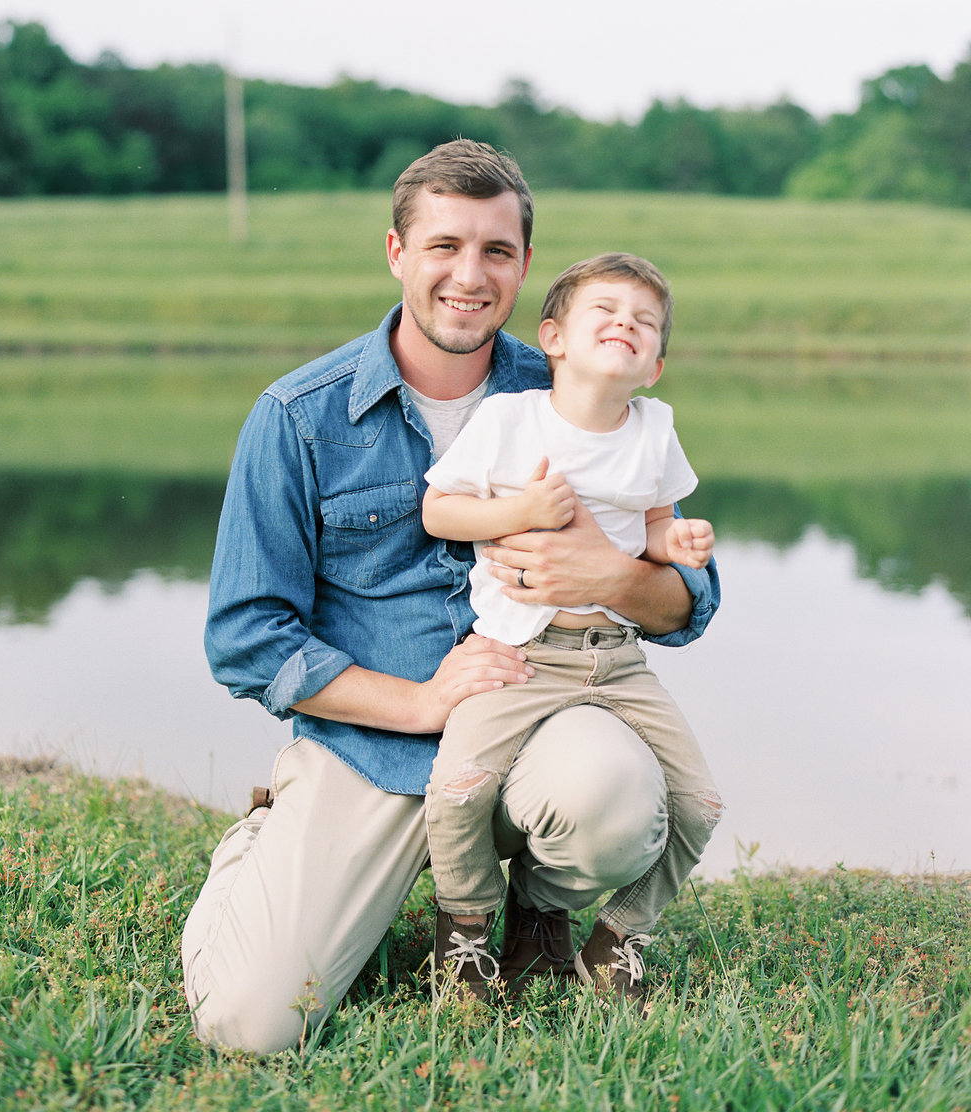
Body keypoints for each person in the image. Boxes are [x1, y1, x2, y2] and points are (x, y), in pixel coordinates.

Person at [181, 141, 719, 1055]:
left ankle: (538, 915)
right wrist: (423, 701)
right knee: (251, 1026)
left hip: (538, 711)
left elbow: (689, 603)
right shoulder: (298, 418)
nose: (469, 276)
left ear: (525, 271)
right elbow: (246, 637)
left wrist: (616, 579)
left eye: (496, 252)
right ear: (396, 252)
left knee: (620, 799)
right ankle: (271, 838)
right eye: (443, 246)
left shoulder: (574, 389)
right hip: (376, 749)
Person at [421, 252, 721, 1001]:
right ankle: (464, 933)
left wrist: (673, 546)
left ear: (654, 365)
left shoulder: (655, 430)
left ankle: (619, 937)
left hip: (616, 658)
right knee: (458, 790)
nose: (626, 324)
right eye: (607, 312)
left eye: (645, 323)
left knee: (700, 805)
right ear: (552, 337)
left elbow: (651, 527)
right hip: (520, 653)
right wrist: (519, 512)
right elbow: (440, 510)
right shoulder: (510, 419)